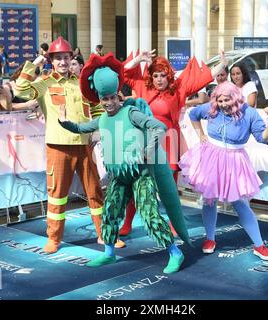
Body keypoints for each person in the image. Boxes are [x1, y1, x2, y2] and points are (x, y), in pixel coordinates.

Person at [58, 52, 186, 273]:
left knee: (150, 214)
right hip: (119, 177)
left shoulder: (131, 112)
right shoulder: (102, 119)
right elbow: (80, 128)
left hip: (140, 175)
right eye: (104, 99)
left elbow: (159, 127)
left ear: (119, 97)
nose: (108, 102)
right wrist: (64, 122)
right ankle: (109, 254)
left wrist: (148, 149)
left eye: (112, 98)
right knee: (109, 213)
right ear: (100, 99)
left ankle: (175, 252)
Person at [13, 36, 122, 253]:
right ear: (51, 61)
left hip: (84, 145)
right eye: (57, 58)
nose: (62, 62)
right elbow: (19, 89)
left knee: (96, 192)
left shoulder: (81, 83)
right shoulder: (44, 84)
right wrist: (37, 61)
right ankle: (54, 238)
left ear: (72, 58)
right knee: (57, 195)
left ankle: (105, 235)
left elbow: (97, 107)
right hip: (58, 146)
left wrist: (98, 129)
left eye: (66, 57)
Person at [118, 49, 228, 236]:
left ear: (169, 76)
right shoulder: (143, 87)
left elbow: (201, 80)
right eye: (155, 75)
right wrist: (138, 59)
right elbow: (123, 73)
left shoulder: (178, 89)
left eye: (163, 75)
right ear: (151, 77)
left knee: (169, 188)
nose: (159, 79)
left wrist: (221, 66)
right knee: (136, 184)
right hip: (144, 141)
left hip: (169, 141)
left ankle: (174, 223)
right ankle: (127, 223)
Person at [178, 82, 268, 259]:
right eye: (220, 100)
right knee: (209, 199)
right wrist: (201, 134)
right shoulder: (212, 108)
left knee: (240, 203)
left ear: (235, 98)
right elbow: (194, 114)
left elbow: (263, 138)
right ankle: (210, 238)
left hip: (235, 160)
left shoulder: (249, 113)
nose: (223, 104)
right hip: (210, 157)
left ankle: (259, 244)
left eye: (227, 100)